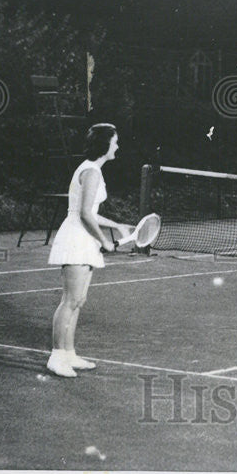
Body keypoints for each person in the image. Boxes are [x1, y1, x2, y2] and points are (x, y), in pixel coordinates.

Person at [46, 123, 133, 377]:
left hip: (83, 237)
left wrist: (116, 225)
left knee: (78, 301)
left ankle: (69, 354)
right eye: (115, 141)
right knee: (69, 300)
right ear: (105, 145)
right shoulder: (92, 171)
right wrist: (105, 241)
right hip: (76, 238)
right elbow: (83, 214)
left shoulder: (92, 170)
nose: (117, 146)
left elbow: (90, 213)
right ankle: (56, 356)